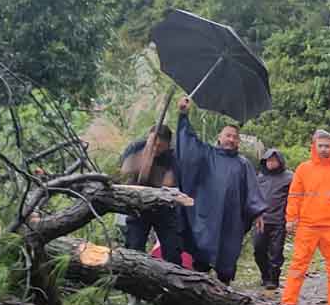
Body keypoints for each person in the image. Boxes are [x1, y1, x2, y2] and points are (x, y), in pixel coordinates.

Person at [174, 96, 267, 284]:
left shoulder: (243, 164)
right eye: (228, 135)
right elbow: (189, 144)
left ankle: (223, 294)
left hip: (230, 220)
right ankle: (198, 291)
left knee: (226, 258)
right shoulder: (206, 155)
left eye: (235, 137)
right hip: (206, 216)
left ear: (238, 142)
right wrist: (183, 114)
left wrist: (258, 213)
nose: (231, 139)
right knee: (201, 258)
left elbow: (252, 191)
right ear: (219, 137)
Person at [281, 129, 330, 305]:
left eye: (327, 146)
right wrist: (291, 218)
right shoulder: (303, 169)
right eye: (321, 145)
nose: (324, 149)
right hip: (307, 225)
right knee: (298, 265)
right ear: (314, 147)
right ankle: (288, 301)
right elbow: (294, 196)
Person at [118, 125, 182, 265]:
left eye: (160, 146)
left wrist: (152, 165)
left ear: (167, 145)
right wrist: (144, 157)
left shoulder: (172, 156)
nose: (156, 148)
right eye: (154, 144)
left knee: (172, 251)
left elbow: (169, 182)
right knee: (134, 247)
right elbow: (123, 173)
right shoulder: (136, 147)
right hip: (137, 205)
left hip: (163, 208)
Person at [253, 148, 293, 290]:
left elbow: (294, 199)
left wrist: (291, 219)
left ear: (280, 161)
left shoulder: (289, 177)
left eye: (274, 160)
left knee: (276, 252)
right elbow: (254, 197)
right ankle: (265, 275)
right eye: (268, 160)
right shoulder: (259, 177)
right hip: (261, 220)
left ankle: (273, 279)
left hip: (279, 221)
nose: (271, 163)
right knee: (258, 249)